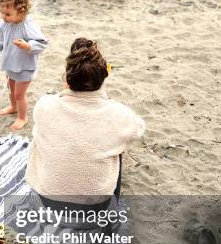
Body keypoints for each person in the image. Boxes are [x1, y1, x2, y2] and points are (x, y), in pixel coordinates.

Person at [25, 38, 145, 205]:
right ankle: (113, 204)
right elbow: (138, 130)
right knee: (118, 143)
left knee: (44, 135)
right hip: (94, 210)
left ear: (67, 79)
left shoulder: (45, 105)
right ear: (103, 78)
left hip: (48, 203)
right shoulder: (117, 113)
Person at [0, 0, 48, 130]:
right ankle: (14, 107)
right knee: (11, 89)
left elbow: (42, 43)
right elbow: (0, 38)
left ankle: (22, 117)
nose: (3, 17)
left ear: (21, 11)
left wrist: (28, 46)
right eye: (1, 13)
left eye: (7, 14)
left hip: (25, 66)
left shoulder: (28, 25)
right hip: (10, 63)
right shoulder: (5, 23)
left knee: (19, 94)